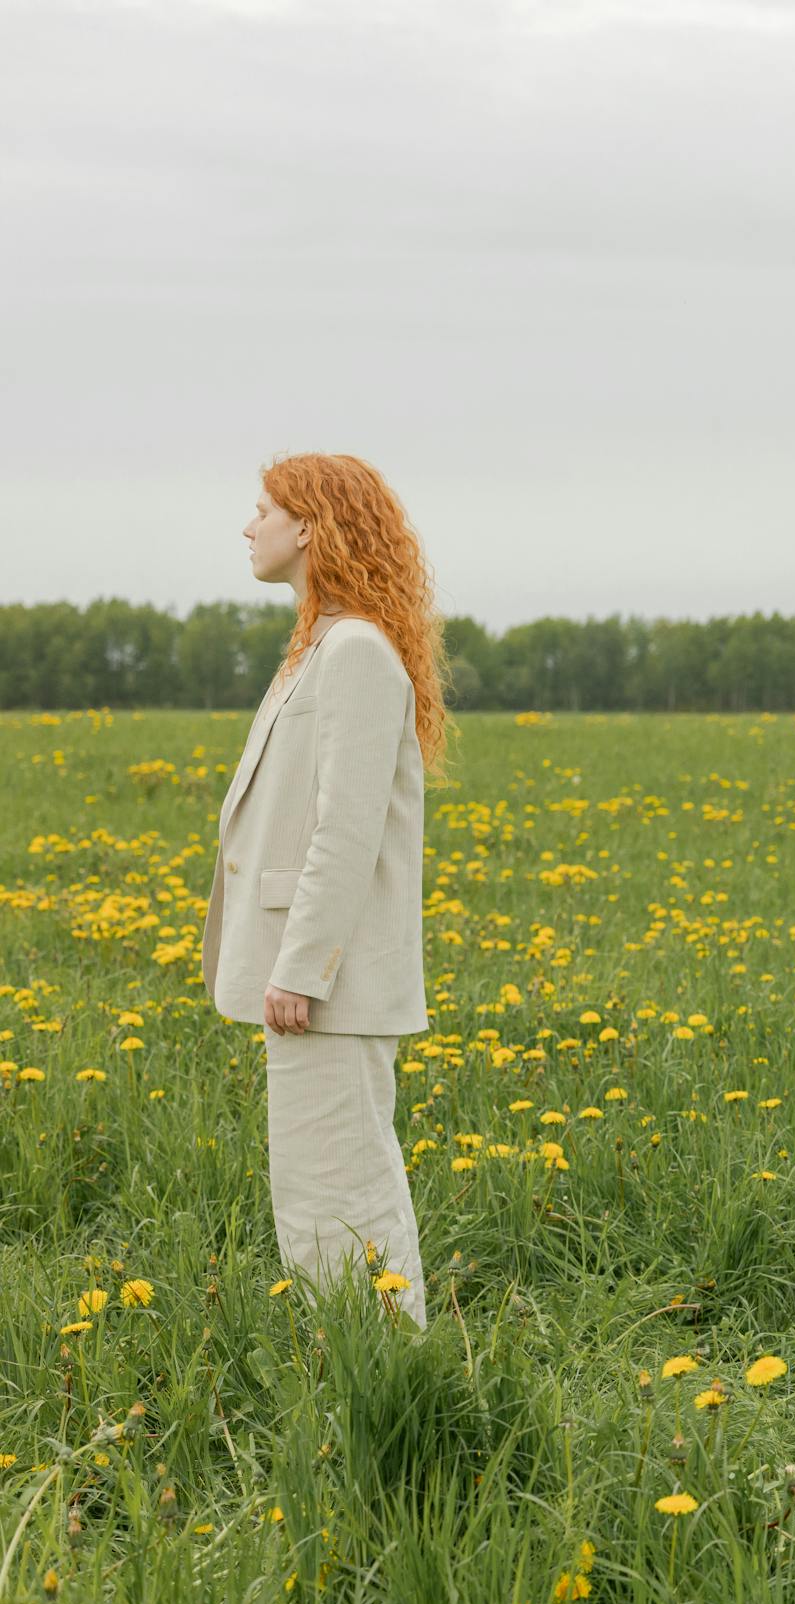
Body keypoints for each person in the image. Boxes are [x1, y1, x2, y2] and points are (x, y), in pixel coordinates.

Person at [201, 453, 450, 1330]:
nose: (249, 525)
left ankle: (390, 1390)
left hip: (326, 987)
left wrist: (301, 967)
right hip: (313, 983)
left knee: (344, 1199)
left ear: (308, 525)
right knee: (318, 1196)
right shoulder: (325, 643)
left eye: (262, 508)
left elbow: (342, 833)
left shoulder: (353, 653)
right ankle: (359, 1379)